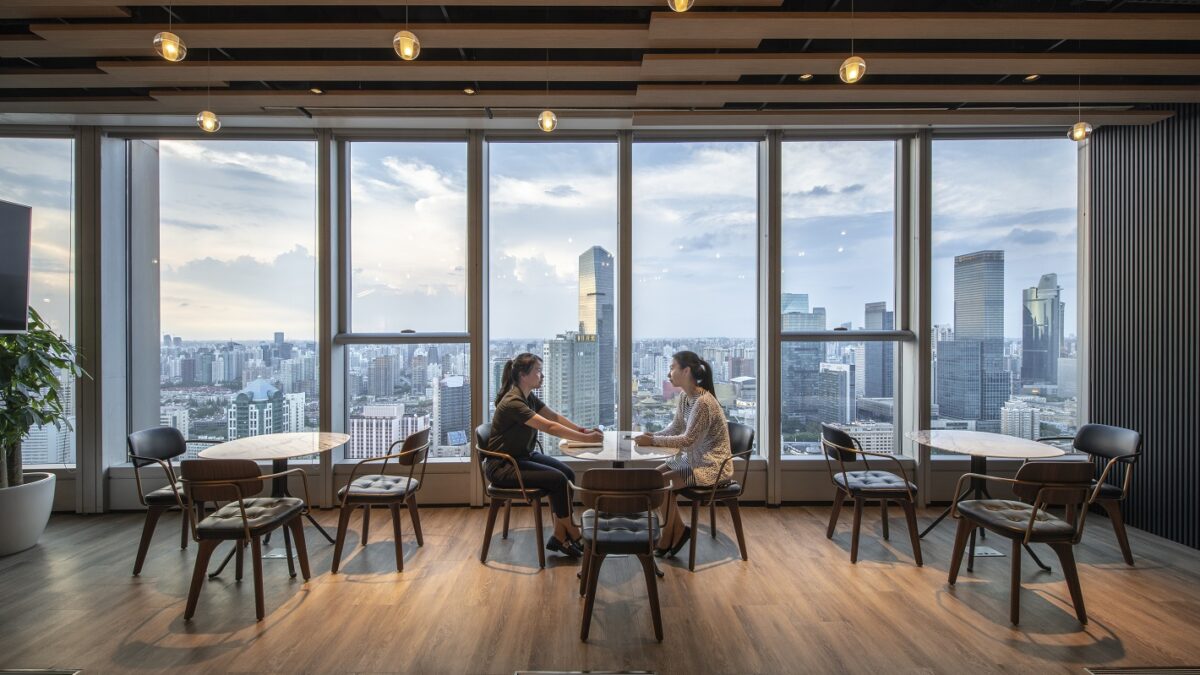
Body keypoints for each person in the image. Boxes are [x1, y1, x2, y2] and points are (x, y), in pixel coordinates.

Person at [488, 352, 603, 559]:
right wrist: (586, 440)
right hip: (504, 466)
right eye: (538, 371)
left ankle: (560, 535)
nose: (542, 376)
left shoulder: (527, 395)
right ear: (523, 375)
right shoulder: (514, 402)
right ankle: (574, 533)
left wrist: (582, 431)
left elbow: (553, 416)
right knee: (558, 480)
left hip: (521, 457)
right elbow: (549, 426)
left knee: (566, 473)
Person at [634, 350, 732, 558]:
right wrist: (653, 435)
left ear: (686, 370)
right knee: (653, 480)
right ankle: (675, 531)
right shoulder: (686, 398)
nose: (669, 373)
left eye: (672, 368)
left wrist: (652, 441)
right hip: (693, 459)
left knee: (660, 486)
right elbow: (676, 427)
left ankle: (674, 533)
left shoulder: (703, 402)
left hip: (710, 466)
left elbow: (688, 441)